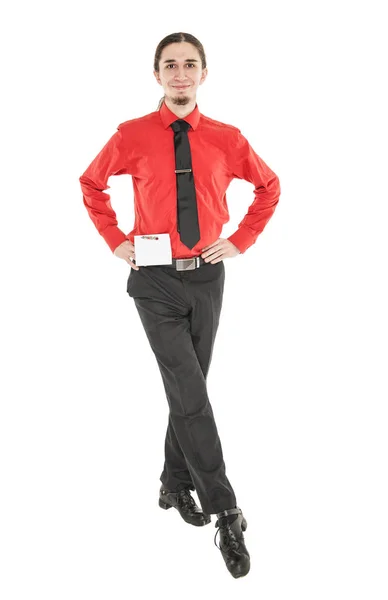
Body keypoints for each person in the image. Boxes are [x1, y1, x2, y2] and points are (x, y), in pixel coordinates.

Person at [79, 31, 280, 579]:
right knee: (190, 392)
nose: (181, 74)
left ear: (203, 74)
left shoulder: (227, 137)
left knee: (187, 390)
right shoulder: (132, 135)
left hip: (208, 277)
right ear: (157, 74)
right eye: (171, 65)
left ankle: (172, 483)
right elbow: (91, 185)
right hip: (154, 281)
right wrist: (114, 238)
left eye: (190, 64)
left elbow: (269, 187)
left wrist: (240, 240)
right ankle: (226, 510)